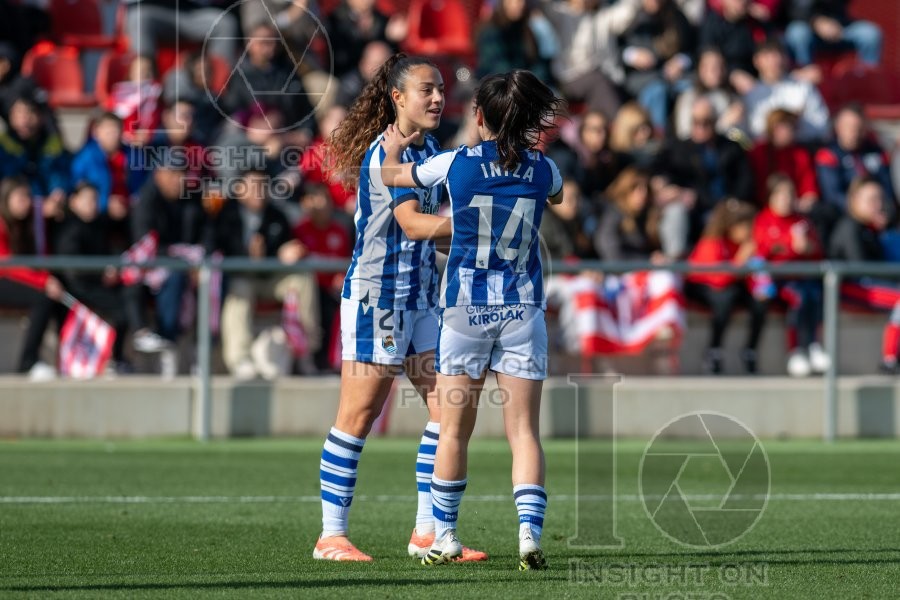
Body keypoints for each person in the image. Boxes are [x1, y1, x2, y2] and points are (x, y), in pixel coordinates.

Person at [380, 69, 564, 569]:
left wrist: (396, 150)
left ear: (479, 117)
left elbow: (393, 177)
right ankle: (528, 535)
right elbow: (559, 196)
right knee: (524, 431)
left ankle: (446, 536)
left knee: (454, 429)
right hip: (522, 310)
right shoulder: (544, 168)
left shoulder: (456, 163)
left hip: (465, 312)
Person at [313, 53, 486, 563]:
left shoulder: (428, 146)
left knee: (446, 409)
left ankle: (427, 532)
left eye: (440, 89)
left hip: (420, 299)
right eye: (426, 90)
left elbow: (425, 236)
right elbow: (412, 226)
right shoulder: (382, 154)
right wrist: (485, 224)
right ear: (397, 98)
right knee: (358, 414)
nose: (437, 98)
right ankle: (331, 536)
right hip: (378, 299)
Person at [213, 170, 321, 379]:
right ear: (239, 189)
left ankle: (306, 349)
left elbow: (286, 249)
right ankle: (240, 359)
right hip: (241, 278)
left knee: (302, 279)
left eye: (263, 186)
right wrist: (248, 256)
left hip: (271, 278)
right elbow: (219, 250)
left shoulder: (277, 216)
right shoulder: (226, 215)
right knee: (239, 290)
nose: (259, 191)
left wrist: (281, 254)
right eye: (253, 186)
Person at [752, 174, 828, 377]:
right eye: (781, 194)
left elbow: (816, 250)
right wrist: (792, 246)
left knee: (817, 296)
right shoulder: (764, 220)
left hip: (804, 277)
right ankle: (795, 351)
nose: (787, 199)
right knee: (799, 299)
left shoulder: (802, 221)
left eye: (790, 194)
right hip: (779, 280)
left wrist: (807, 247)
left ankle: (813, 345)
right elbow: (763, 250)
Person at [829, 177, 900, 374]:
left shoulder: (870, 228)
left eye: (879, 199)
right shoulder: (850, 227)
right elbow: (859, 268)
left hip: (869, 284)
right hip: (851, 288)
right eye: (871, 199)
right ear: (855, 200)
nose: (877, 205)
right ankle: (889, 359)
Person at [0, 176, 65, 380]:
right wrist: (43, 281)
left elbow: (34, 259)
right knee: (41, 298)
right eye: (20, 197)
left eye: (27, 197)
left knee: (52, 299)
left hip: (11, 279)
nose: (25, 203)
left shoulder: (28, 224)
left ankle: (66, 358)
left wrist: (47, 279)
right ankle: (27, 363)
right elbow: (7, 264)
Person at [686, 199, 761, 374]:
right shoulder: (712, 242)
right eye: (745, 226)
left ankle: (750, 350)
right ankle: (714, 351)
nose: (749, 231)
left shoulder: (743, 244)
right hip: (702, 287)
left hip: (730, 286)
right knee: (724, 299)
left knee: (759, 301)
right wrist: (740, 260)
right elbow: (717, 280)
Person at [539, 0, 640, 118]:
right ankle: (619, 125)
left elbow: (626, 13)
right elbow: (545, 5)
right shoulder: (562, 13)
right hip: (571, 78)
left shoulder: (604, 14)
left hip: (606, 79)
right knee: (598, 81)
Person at [292, 183, 352, 372]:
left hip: (334, 291)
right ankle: (311, 361)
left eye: (324, 199)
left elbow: (349, 261)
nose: (321, 205)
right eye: (315, 199)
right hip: (312, 290)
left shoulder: (340, 231)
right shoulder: (299, 230)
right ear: (305, 203)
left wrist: (342, 276)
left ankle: (337, 363)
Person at [815, 104, 897, 224]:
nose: (854, 132)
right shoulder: (828, 155)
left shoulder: (876, 152)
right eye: (849, 126)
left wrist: (884, 209)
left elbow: (887, 186)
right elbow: (833, 196)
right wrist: (863, 211)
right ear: (838, 127)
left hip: (881, 212)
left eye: (858, 127)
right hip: (848, 216)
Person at [743, 39, 830, 144]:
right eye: (768, 57)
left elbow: (822, 126)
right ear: (757, 61)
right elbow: (752, 131)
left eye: (778, 55)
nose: (774, 61)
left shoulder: (802, 86)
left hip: (802, 148)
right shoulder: (751, 93)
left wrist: (794, 128)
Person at [673, 47, 745, 141]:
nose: (716, 71)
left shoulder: (734, 98)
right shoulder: (689, 97)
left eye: (720, 66)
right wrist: (722, 125)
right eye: (709, 66)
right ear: (700, 68)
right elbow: (684, 134)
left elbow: (742, 138)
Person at [784, 0, 882, 68]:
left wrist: (832, 23)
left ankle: (868, 83)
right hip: (807, 25)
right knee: (797, 33)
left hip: (838, 25)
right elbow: (794, 9)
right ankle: (804, 79)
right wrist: (816, 21)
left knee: (870, 34)